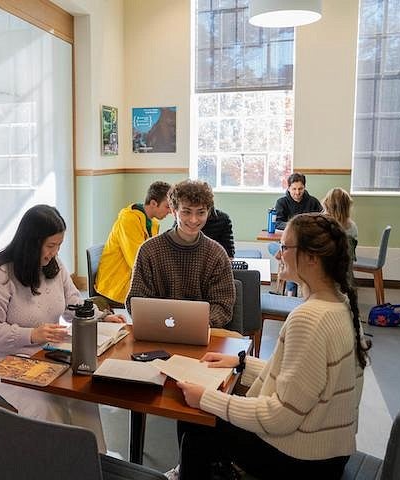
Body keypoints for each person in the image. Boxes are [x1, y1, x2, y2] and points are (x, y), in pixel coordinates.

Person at [169, 213, 370, 480]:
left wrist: (206, 397)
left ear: (311, 258)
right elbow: (304, 380)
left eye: (285, 248)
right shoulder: (342, 305)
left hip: (302, 462)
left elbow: (280, 417)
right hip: (329, 454)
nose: (278, 256)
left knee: (196, 421)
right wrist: (242, 364)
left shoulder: (310, 318)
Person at [0, 204, 124, 453]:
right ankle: (53, 468)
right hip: (5, 361)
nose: (54, 253)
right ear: (30, 242)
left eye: (58, 245)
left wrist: (100, 317)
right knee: (45, 407)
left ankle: (94, 463)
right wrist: (31, 334)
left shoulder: (53, 266)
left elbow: (73, 304)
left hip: (46, 354)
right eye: (50, 246)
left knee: (84, 398)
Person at [126, 179, 235, 328]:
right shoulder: (149, 251)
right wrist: (161, 322)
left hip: (202, 331)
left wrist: (202, 323)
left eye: (201, 213)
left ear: (208, 212)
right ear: (173, 210)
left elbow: (223, 304)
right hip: (157, 330)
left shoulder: (216, 254)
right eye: (186, 212)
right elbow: (135, 299)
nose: (193, 219)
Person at [96, 181, 171, 306]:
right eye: (167, 207)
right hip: (116, 285)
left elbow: (153, 256)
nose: (170, 212)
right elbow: (136, 261)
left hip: (132, 279)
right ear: (153, 203)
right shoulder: (128, 220)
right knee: (164, 297)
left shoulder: (153, 224)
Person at [323, 187, 358, 260]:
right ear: (347, 206)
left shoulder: (322, 227)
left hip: (326, 269)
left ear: (327, 205)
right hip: (346, 269)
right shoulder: (353, 227)